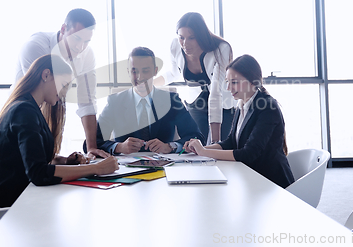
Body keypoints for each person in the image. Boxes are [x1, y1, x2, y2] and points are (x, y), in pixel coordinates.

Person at [0, 55, 118, 208]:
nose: (64, 93)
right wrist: (96, 168)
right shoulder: (24, 110)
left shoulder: (30, 109)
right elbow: (38, 173)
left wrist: (65, 161)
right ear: (46, 75)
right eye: (64, 84)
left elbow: (31, 158)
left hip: (19, 203)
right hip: (6, 211)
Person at [183, 54, 294, 189]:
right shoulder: (242, 104)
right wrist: (200, 148)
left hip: (271, 182)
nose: (229, 88)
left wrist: (204, 152)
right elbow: (231, 142)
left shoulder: (266, 106)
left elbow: (248, 154)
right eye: (227, 82)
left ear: (252, 81)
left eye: (234, 82)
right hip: (250, 177)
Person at [13, 8, 108, 158]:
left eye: (86, 41)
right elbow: (40, 99)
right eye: (76, 38)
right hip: (22, 117)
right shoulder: (36, 47)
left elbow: (87, 101)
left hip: (52, 110)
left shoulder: (87, 54)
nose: (80, 47)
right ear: (63, 29)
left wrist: (92, 149)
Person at [84, 47, 205, 155]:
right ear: (128, 72)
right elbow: (90, 144)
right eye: (134, 71)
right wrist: (119, 147)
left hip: (164, 168)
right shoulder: (115, 102)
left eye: (145, 71)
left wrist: (169, 146)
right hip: (124, 170)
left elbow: (196, 137)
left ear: (155, 71)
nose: (139, 77)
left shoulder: (171, 100)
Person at [155, 12, 236, 144]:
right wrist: (149, 84)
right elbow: (173, 73)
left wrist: (215, 141)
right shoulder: (175, 46)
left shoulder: (221, 49)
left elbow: (216, 93)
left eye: (191, 38)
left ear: (201, 35)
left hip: (222, 104)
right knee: (196, 144)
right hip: (196, 101)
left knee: (221, 146)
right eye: (181, 37)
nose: (185, 43)